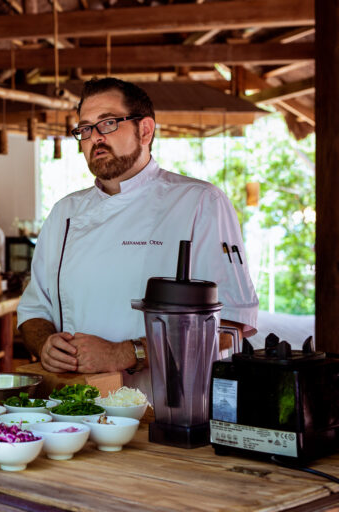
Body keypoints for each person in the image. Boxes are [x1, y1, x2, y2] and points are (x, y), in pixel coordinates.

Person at [17, 77, 258, 375]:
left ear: (145, 130)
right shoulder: (64, 213)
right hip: (76, 408)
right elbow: (33, 310)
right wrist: (44, 345)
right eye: (86, 128)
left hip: (163, 408)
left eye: (107, 123)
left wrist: (128, 353)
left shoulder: (200, 202)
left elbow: (229, 325)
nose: (95, 137)